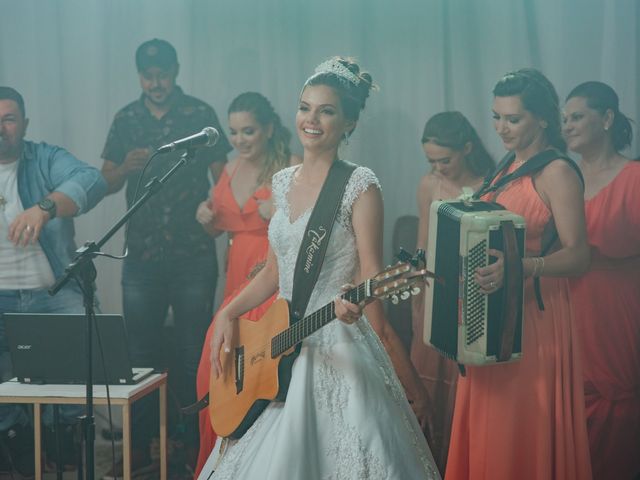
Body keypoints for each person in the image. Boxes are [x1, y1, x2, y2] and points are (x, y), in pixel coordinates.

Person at [198, 57, 440, 479]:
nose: (311, 119)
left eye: (326, 110)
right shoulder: (282, 181)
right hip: (280, 342)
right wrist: (229, 312)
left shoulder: (359, 185)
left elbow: (371, 279)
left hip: (337, 342)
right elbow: (275, 273)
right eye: (305, 107)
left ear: (349, 123)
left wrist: (410, 383)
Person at [445, 69, 592, 480]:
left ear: (544, 119)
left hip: (534, 317)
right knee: (490, 428)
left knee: (516, 429)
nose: (501, 128)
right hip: (491, 313)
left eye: (513, 119)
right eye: (496, 117)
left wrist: (522, 267)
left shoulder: (557, 171)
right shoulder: (508, 164)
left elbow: (580, 256)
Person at [100, 39, 232, 476]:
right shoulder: (126, 118)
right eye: (148, 75)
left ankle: (195, 447)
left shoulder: (199, 115)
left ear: (176, 70)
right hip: (141, 255)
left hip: (193, 252)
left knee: (195, 352)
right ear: (139, 75)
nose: (156, 83)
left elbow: (224, 177)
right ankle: (138, 448)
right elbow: (106, 180)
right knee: (140, 356)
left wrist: (225, 213)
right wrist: (124, 169)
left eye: (163, 74)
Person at [0, 86, 107, 476]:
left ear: (24, 124)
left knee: (71, 402)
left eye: (9, 119)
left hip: (53, 294)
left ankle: (68, 464)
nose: (1, 128)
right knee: (5, 410)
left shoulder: (44, 158)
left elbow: (91, 180)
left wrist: (45, 207)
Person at [193, 91, 300, 475]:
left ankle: (255, 463)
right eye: (234, 132)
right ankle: (221, 462)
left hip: (267, 274)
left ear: (269, 129)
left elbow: (308, 229)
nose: (240, 140)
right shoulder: (230, 169)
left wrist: (280, 212)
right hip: (234, 272)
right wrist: (207, 220)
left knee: (252, 369)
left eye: (249, 131)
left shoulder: (290, 167)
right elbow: (220, 226)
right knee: (216, 368)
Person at [563, 81, 640, 480]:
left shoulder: (634, 178)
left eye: (577, 117)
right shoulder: (561, 176)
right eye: (564, 120)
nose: (568, 126)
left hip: (616, 308)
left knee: (615, 409)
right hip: (563, 307)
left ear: (607, 118)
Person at [411, 111, 493, 474]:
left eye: (445, 160)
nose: (438, 168)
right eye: (431, 161)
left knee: (467, 384)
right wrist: (416, 279)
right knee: (429, 379)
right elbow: (422, 243)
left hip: (475, 293)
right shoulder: (429, 184)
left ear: (468, 148)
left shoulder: (492, 182)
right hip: (432, 291)